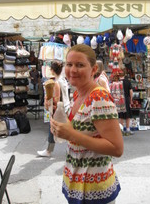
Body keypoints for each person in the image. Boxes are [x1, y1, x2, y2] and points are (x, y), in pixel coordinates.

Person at [50, 44, 124, 204]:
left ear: (93, 69)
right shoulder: (78, 93)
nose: (73, 70)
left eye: (80, 65)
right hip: (77, 185)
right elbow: (79, 132)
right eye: (69, 64)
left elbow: (117, 148)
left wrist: (71, 134)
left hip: (95, 190)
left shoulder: (99, 98)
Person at [37, 61, 70, 157]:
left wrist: (48, 103)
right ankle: (68, 150)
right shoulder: (63, 80)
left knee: (53, 129)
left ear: (52, 70)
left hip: (59, 108)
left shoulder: (56, 82)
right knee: (63, 129)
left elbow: (56, 98)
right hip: (65, 107)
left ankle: (48, 151)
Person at [118, 70, 134, 135]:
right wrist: (131, 100)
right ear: (124, 75)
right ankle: (127, 129)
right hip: (126, 99)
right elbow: (131, 92)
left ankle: (121, 130)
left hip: (119, 99)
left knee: (121, 115)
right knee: (127, 115)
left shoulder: (117, 82)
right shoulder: (128, 82)